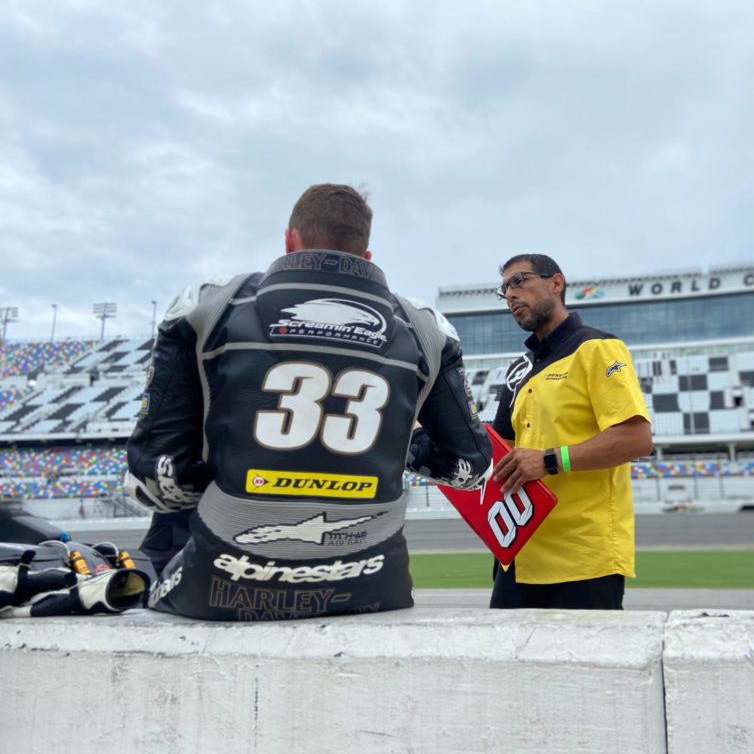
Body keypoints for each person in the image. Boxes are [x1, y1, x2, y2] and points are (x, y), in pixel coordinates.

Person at [124, 184, 492, 620]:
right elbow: (470, 469)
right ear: (367, 257)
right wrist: (399, 444)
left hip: (220, 583)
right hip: (372, 583)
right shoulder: (427, 327)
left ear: (289, 240)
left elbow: (153, 484)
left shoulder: (209, 303)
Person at [489, 254, 651, 609]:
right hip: (517, 553)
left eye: (519, 281)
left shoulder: (597, 348)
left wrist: (549, 460)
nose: (511, 295)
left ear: (556, 283)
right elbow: (500, 453)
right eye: (504, 290)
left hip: (583, 558)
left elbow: (636, 438)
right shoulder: (519, 369)